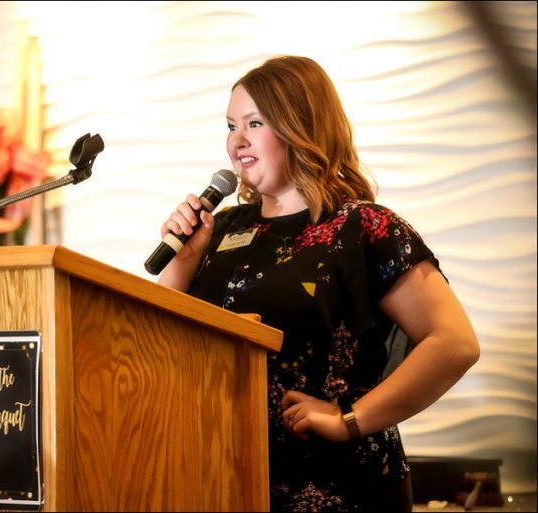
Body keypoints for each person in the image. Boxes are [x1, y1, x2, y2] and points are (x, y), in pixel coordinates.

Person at [157, 56, 480, 512]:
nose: (236, 141)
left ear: (301, 126)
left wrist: (350, 419)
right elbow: (160, 346)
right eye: (231, 126)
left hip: (338, 486)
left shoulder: (363, 227)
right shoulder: (221, 229)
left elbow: (454, 343)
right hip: (224, 478)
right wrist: (184, 262)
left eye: (254, 123)